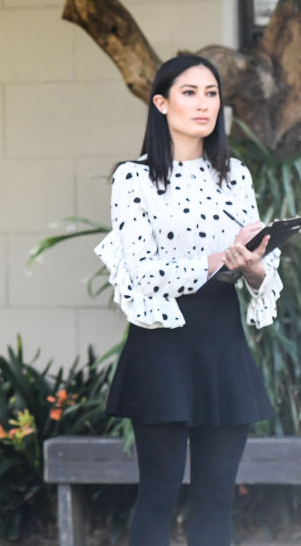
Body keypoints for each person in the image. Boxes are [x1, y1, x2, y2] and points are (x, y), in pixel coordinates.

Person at [94, 54, 282, 545]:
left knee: (217, 501)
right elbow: (144, 273)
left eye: (212, 93)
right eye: (190, 92)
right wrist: (218, 256)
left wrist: (254, 264)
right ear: (161, 103)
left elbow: (260, 278)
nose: (204, 104)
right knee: (157, 495)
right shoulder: (133, 179)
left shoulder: (235, 174)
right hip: (161, 347)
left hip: (223, 342)